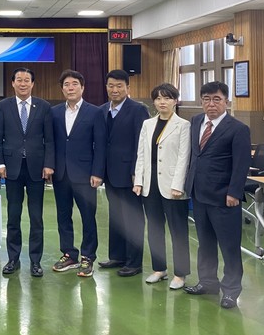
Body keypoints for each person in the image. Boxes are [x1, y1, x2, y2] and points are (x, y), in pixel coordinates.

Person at [183, 81, 250, 309]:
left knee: (229, 247)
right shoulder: (196, 122)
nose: (211, 104)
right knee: (205, 243)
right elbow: (195, 156)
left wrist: (234, 192)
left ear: (226, 102)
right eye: (207, 99)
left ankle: (231, 291)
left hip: (224, 198)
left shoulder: (238, 129)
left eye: (217, 99)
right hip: (199, 194)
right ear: (201, 101)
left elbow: (241, 164)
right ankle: (207, 282)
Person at [0, 67, 54, 277]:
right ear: (13, 83)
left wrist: (49, 164)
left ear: (32, 83)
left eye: (26, 80)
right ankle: (13, 259)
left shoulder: (44, 106)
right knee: (13, 215)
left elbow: (50, 140)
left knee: (36, 217)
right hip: (12, 168)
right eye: (19, 80)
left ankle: (35, 261)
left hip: (37, 168)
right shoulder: (3, 106)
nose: (22, 83)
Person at [133, 83, 191, 290]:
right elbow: (141, 154)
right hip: (150, 184)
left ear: (175, 101)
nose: (162, 102)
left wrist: (178, 185)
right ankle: (159, 269)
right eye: (158, 98)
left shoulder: (183, 125)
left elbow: (184, 157)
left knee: (178, 231)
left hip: (173, 185)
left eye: (167, 98)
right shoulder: (147, 124)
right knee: (154, 228)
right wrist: (138, 181)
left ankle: (180, 274)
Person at [50, 69, 104, 278]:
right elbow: (51, 142)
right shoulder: (54, 112)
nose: (70, 88)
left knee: (88, 217)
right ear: (62, 89)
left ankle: (88, 257)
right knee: (63, 216)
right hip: (61, 174)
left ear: (82, 87)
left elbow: (100, 145)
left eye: (74, 84)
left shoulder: (95, 112)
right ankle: (69, 254)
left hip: (85, 174)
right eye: (66, 84)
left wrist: (97, 172)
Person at [96, 69, 148, 277]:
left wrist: (137, 171)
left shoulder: (138, 110)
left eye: (119, 86)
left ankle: (134, 262)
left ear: (128, 87)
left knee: (133, 218)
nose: (115, 90)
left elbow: (141, 143)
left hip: (129, 174)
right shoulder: (102, 110)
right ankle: (117, 256)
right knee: (116, 216)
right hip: (110, 173)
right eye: (111, 86)